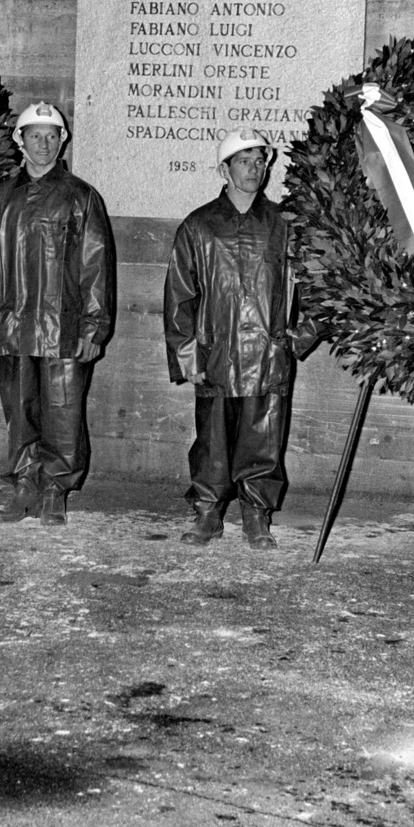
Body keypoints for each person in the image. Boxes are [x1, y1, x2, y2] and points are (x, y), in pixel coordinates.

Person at [0, 101, 115, 526]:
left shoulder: (81, 197)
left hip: (64, 327)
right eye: (35, 135)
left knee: (64, 411)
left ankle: (55, 489)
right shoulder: (2, 199)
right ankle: (24, 487)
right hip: (13, 326)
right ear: (21, 140)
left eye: (51, 136)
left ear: (62, 140)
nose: (43, 144)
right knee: (20, 411)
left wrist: (95, 326)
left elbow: (96, 265)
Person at [164, 129, 299, 550]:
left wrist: (295, 339)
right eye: (244, 161)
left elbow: (311, 286)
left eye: (260, 161)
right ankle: (208, 512)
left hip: (267, 352)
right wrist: (188, 355)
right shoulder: (200, 225)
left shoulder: (283, 225)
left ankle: (256, 514)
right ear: (224, 169)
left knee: (264, 436)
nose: (254, 169)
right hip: (216, 352)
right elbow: (179, 295)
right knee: (213, 442)